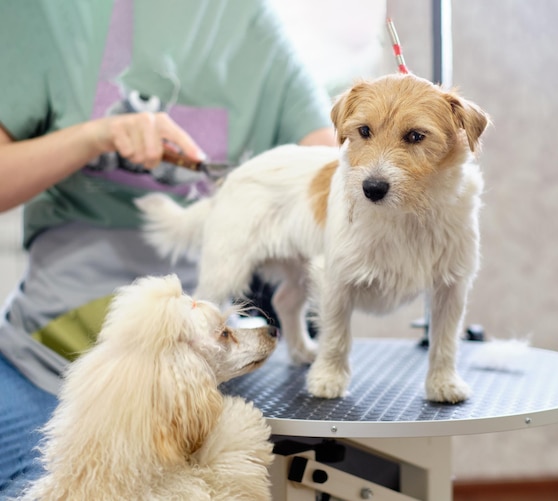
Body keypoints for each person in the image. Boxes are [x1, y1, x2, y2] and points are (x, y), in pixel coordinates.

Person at [0, 0, 336, 494]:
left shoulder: (256, 27)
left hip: (210, 380)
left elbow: (331, 182)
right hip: (46, 365)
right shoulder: (45, 14)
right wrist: (99, 135)